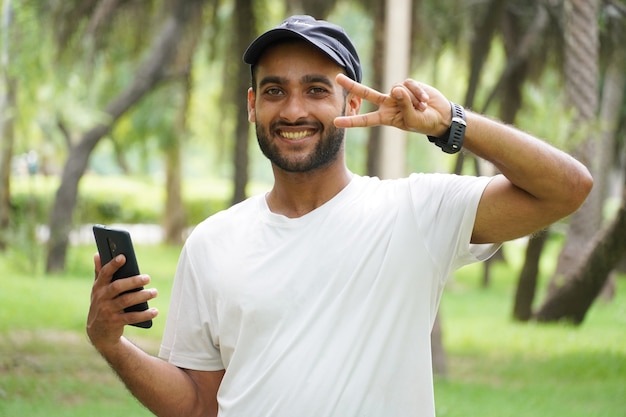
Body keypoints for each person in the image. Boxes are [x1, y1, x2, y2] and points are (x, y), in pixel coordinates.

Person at [86, 15, 592, 417]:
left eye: (315, 89)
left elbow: (566, 188)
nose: (292, 111)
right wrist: (111, 344)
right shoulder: (212, 241)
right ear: (251, 105)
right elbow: (197, 405)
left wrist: (452, 124)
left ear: (350, 100)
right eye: (274, 91)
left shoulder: (416, 213)